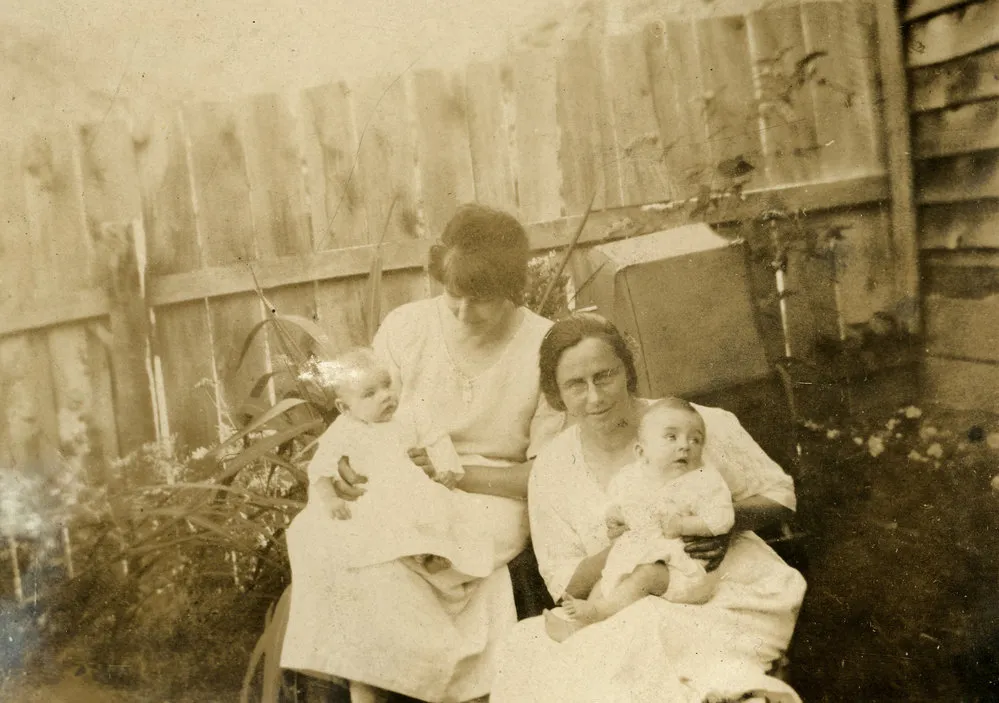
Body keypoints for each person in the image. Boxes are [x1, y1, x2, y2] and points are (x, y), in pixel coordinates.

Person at [280, 204, 563, 703]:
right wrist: (344, 468)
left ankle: (412, 688)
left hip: (491, 494)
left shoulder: (543, 345)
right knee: (323, 533)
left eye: (481, 300)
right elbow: (365, 417)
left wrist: (456, 475)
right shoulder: (406, 328)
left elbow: (548, 473)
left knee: (402, 560)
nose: (461, 312)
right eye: (453, 295)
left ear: (513, 289)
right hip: (401, 479)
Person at [491, 312, 807, 703]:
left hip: (722, 593)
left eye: (604, 376)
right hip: (615, 604)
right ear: (556, 395)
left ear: (626, 369)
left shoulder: (689, 424)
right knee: (523, 646)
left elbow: (781, 494)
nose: (595, 396)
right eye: (576, 385)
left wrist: (722, 525)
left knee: (636, 638)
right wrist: (630, 545)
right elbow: (565, 585)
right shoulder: (553, 469)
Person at [298, 346, 494, 593]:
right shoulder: (344, 430)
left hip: (412, 484)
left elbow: (435, 439)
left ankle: (435, 550)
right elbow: (319, 467)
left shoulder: (407, 416)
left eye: (387, 385)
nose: (385, 396)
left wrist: (445, 469)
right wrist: (330, 499)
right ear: (344, 408)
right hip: (375, 491)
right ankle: (417, 554)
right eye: (370, 393)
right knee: (381, 522)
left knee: (441, 507)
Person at [544, 397, 735, 642]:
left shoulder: (702, 480)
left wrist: (685, 525)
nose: (685, 446)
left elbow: (722, 518)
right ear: (641, 451)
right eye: (671, 437)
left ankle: (599, 612)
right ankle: (581, 628)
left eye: (695, 439)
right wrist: (614, 518)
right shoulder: (632, 478)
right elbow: (616, 505)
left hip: (683, 569)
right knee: (606, 581)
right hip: (640, 554)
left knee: (646, 575)